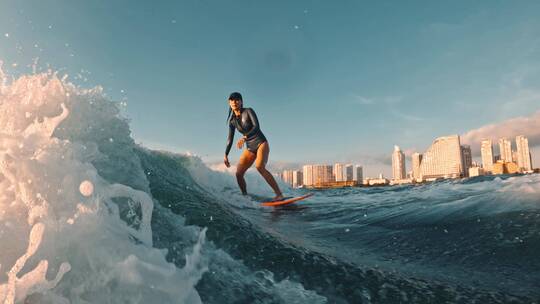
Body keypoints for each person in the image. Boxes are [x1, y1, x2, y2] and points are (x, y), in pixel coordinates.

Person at [223, 92, 284, 201]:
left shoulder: (248, 111)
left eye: (237, 100)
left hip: (261, 143)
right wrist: (225, 154)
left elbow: (256, 127)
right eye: (232, 100)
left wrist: (245, 137)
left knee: (259, 166)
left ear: (241, 102)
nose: (234, 102)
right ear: (229, 102)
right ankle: (245, 196)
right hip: (250, 148)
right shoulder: (232, 122)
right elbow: (230, 139)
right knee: (239, 173)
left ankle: (279, 194)